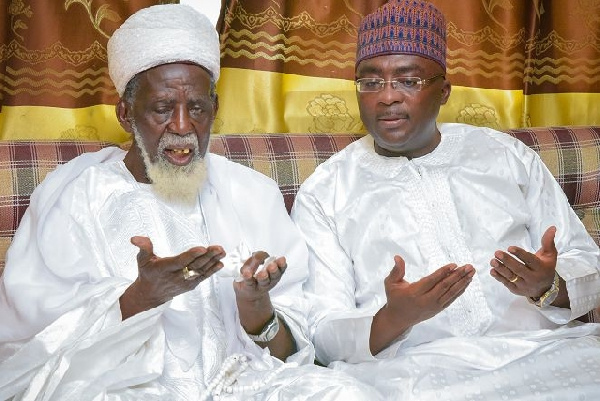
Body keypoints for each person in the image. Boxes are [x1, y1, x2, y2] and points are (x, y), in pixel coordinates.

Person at [0, 4, 380, 401]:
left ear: (214, 109)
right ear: (126, 114)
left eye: (196, 108)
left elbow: (290, 353)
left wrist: (256, 307)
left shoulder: (251, 193)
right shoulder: (77, 197)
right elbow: (31, 350)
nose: (182, 127)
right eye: (163, 108)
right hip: (126, 388)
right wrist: (139, 298)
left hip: (243, 385)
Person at [291, 0, 600, 399]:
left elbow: (586, 263)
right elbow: (321, 327)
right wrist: (393, 318)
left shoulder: (505, 156)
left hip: (541, 352)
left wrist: (549, 285)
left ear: (444, 91)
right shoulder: (326, 191)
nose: (386, 97)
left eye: (408, 80)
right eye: (370, 81)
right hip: (415, 374)